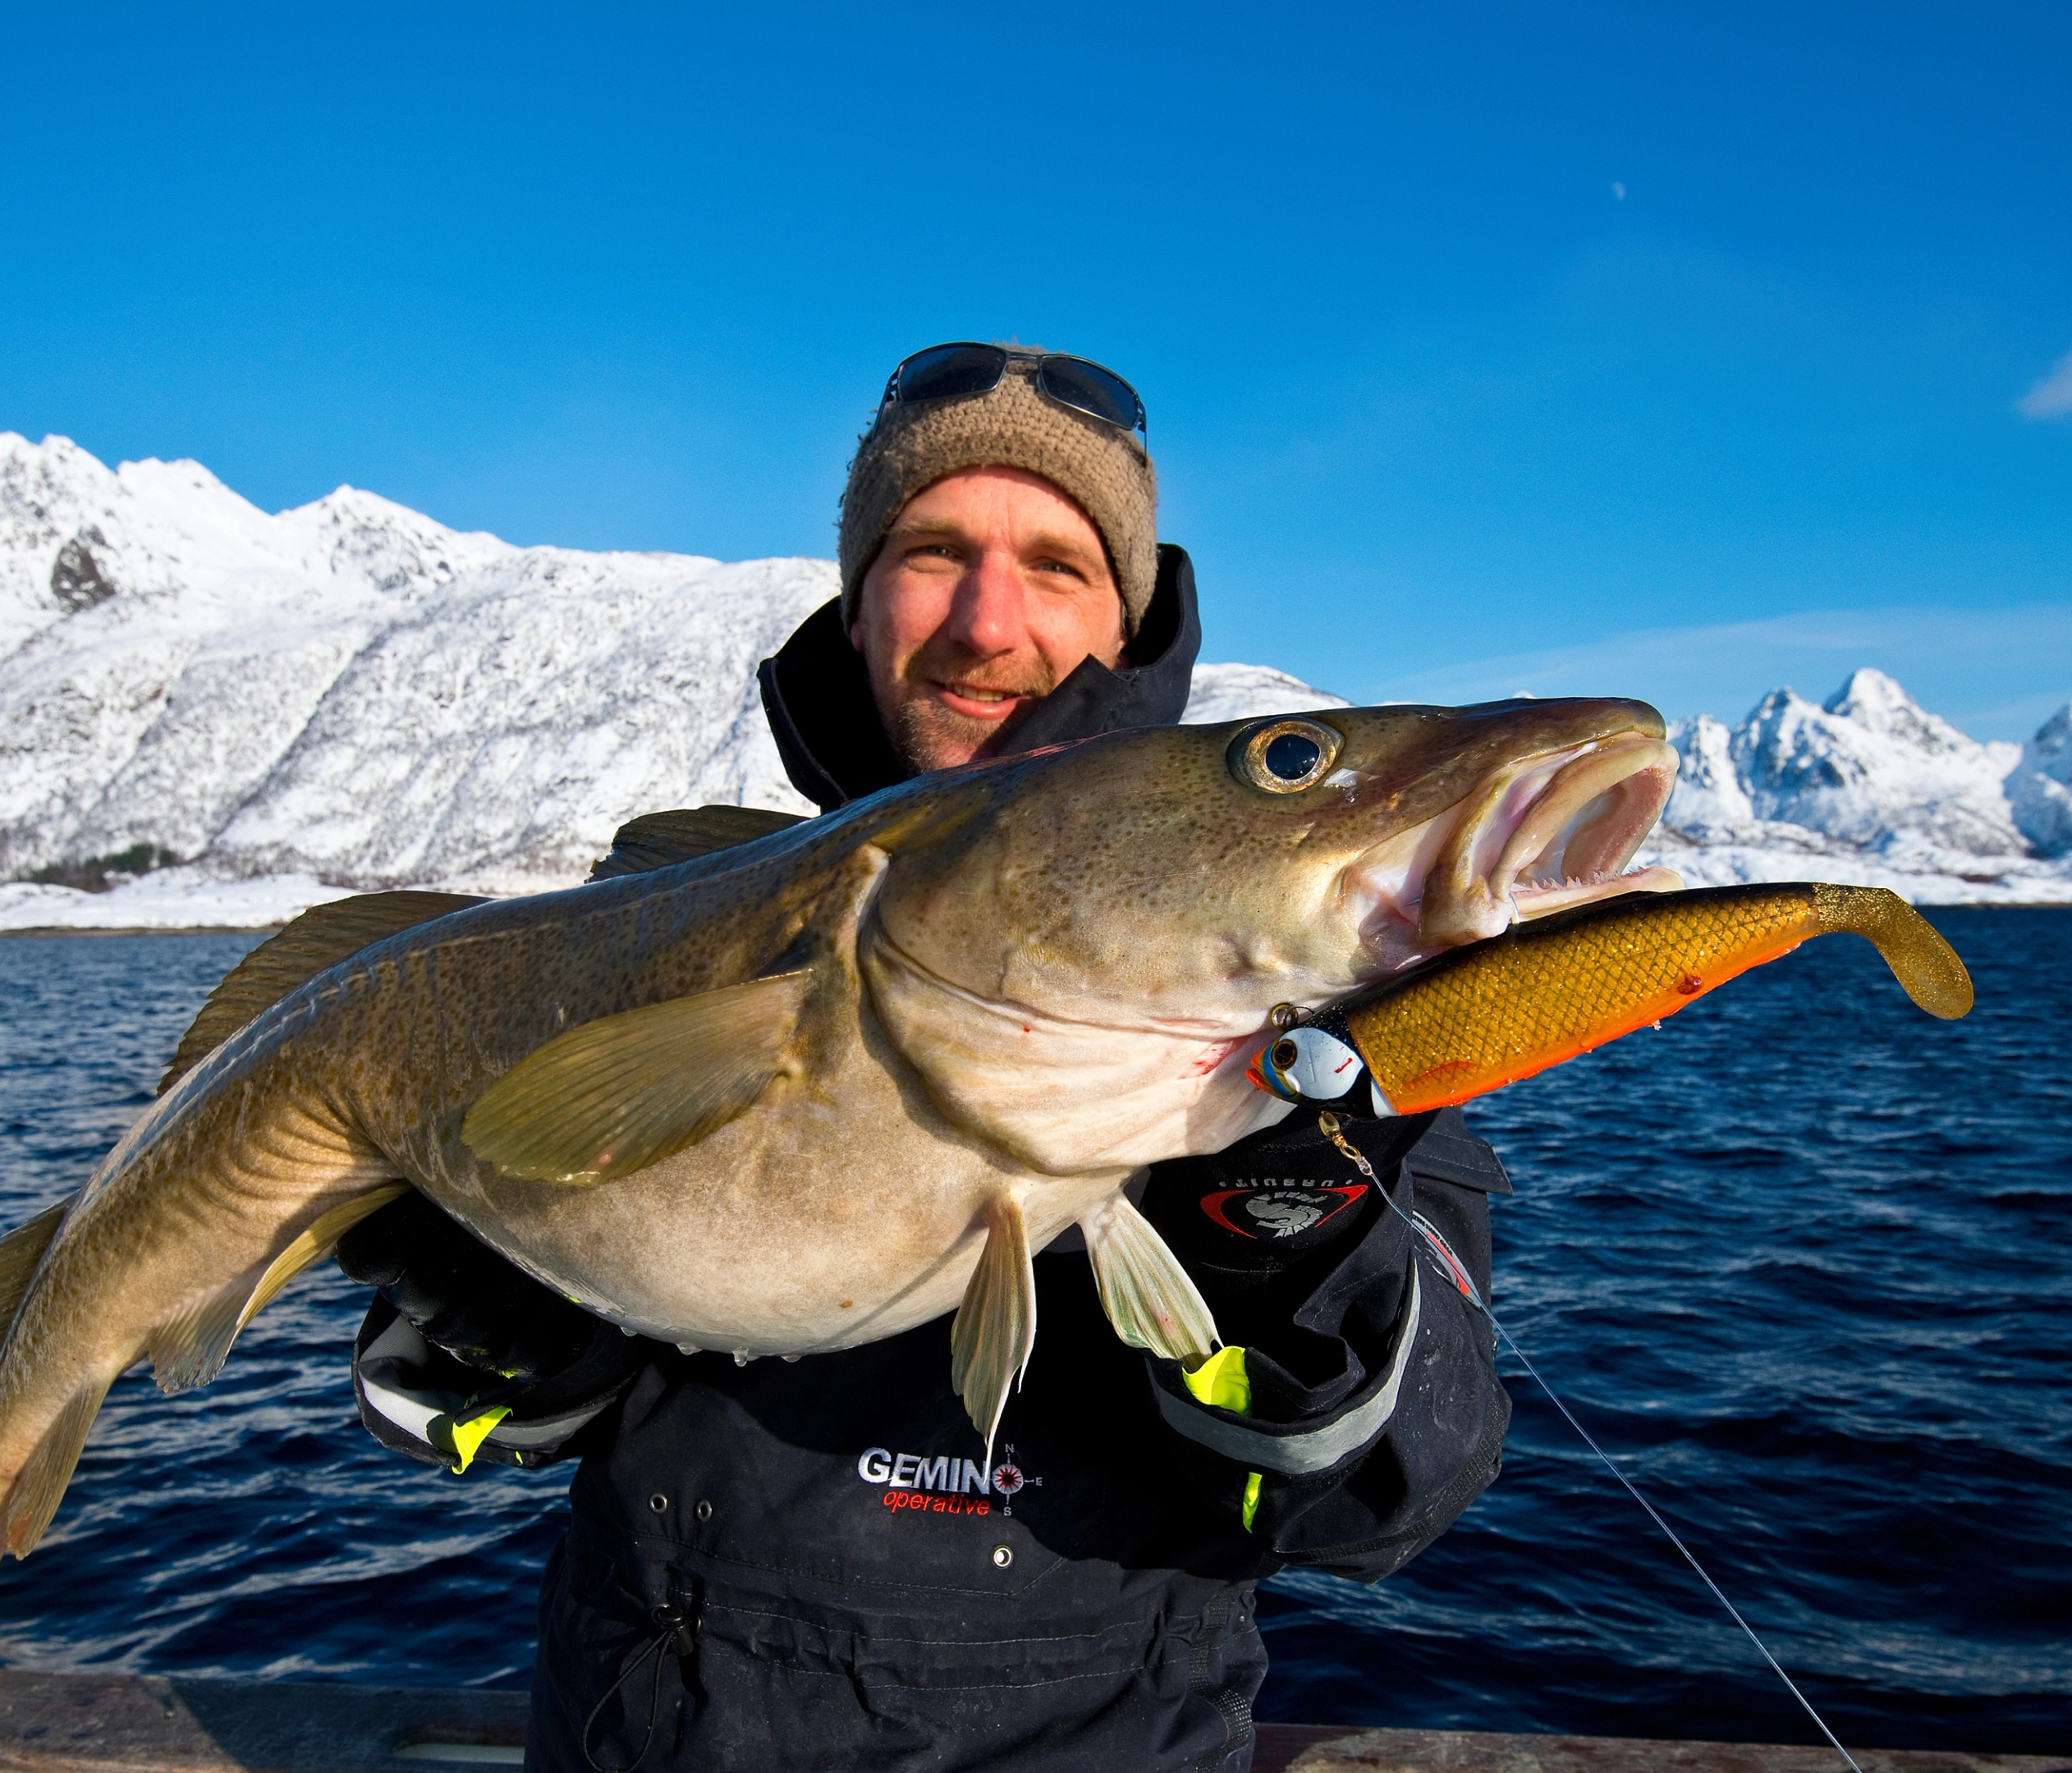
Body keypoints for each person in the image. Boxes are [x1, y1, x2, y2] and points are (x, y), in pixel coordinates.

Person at [336, 343, 1515, 1773]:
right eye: (931, 551)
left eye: (1059, 568)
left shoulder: (1316, 1002)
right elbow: (458, 1430)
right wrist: (504, 1323)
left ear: (1129, 625)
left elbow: (1393, 1496)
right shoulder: (657, 924)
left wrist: (1293, 1265)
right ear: (857, 601)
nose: (986, 621)